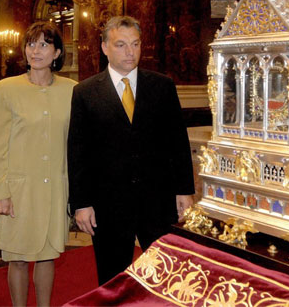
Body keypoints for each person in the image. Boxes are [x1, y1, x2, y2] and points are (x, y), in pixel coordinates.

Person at [67, 15, 195, 285]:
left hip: (157, 201)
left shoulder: (162, 86)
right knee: (113, 280)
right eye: (121, 45)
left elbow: (177, 143)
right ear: (104, 48)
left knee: (165, 278)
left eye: (135, 44)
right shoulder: (85, 92)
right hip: (108, 204)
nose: (130, 52)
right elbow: (79, 153)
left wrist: (184, 190)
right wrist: (81, 203)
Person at [0, 22, 76, 306]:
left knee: (48, 255)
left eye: (43, 44)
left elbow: (77, 145)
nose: (35, 51)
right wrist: (0, 192)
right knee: (17, 258)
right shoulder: (6, 88)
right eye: (31, 44)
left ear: (57, 52)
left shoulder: (73, 90)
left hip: (55, 188)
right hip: (19, 189)